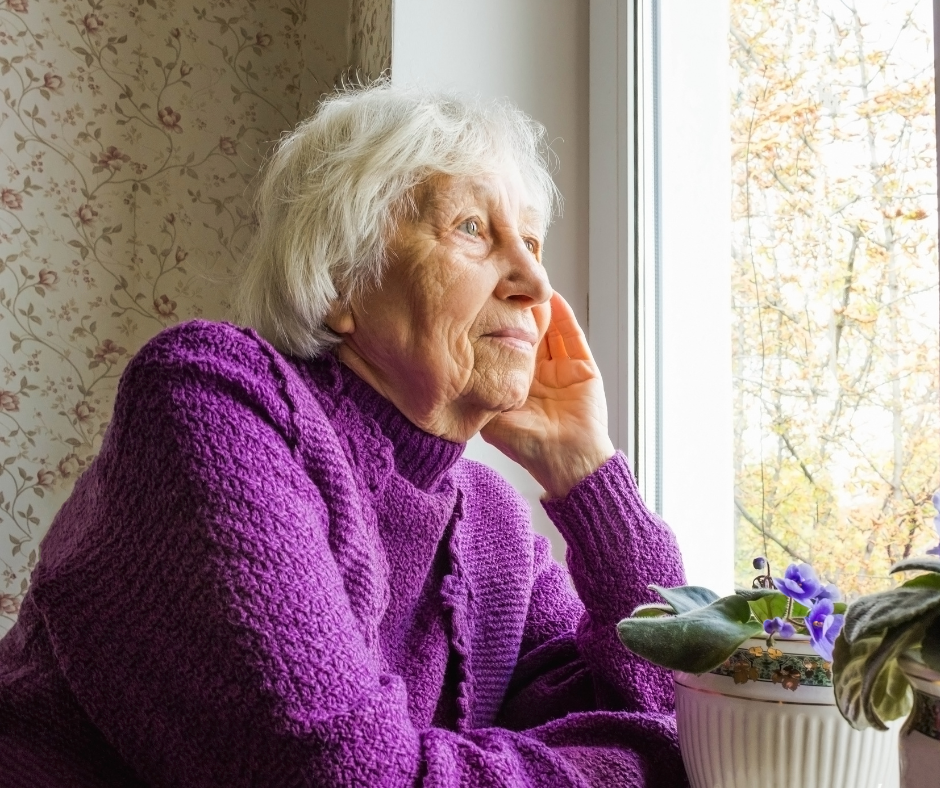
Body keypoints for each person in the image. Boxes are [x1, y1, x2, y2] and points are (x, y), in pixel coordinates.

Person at [0, 83, 689, 787]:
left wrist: (588, 473)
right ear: (339, 279)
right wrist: (651, 765)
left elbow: (674, 711)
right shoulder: (214, 397)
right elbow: (339, 771)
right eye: (472, 229)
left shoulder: (490, 523)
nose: (537, 282)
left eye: (533, 241)